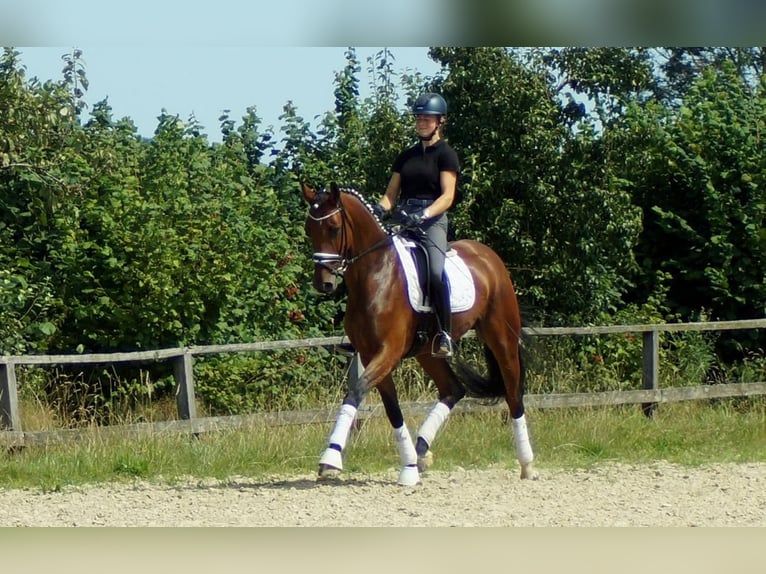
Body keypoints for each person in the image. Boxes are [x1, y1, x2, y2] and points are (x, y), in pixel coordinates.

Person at [373, 92, 460, 358]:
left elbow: (447, 196)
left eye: (427, 118)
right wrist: (377, 209)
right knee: (369, 264)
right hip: (404, 219)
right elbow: (390, 195)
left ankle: (444, 333)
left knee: (435, 271)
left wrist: (423, 215)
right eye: (418, 118)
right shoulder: (406, 156)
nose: (421, 122)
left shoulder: (446, 155)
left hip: (432, 221)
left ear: (440, 121)